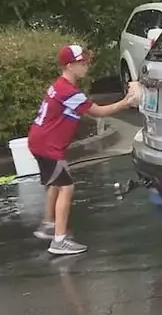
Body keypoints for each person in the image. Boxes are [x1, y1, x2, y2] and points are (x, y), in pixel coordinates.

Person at [29, 44, 138, 255]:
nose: (86, 66)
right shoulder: (68, 92)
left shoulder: (59, 86)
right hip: (48, 146)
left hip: (40, 141)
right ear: (69, 66)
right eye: (82, 63)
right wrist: (126, 102)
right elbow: (97, 112)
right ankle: (59, 241)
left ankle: (49, 225)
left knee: (56, 183)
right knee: (66, 187)